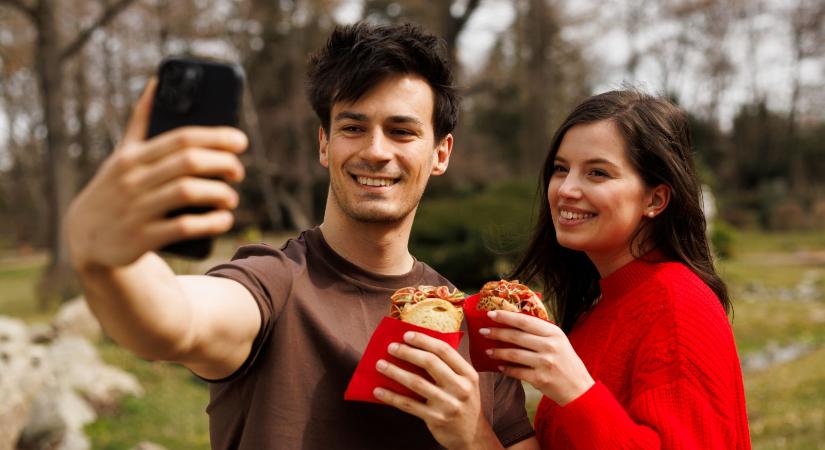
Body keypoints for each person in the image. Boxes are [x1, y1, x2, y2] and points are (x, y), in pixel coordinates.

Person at [64, 22, 538, 450]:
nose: (375, 151)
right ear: (324, 144)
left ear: (441, 153)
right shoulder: (276, 284)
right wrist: (105, 258)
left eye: (401, 131)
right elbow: (173, 321)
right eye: (353, 127)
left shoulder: (475, 327)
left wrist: (473, 437)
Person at [480, 90, 751, 448]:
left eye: (597, 173)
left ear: (655, 199)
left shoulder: (679, 306)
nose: (566, 189)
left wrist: (574, 389)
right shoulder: (597, 309)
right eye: (561, 169)